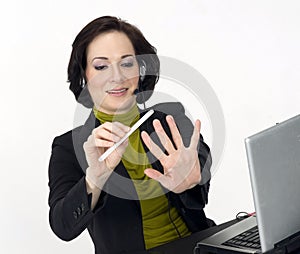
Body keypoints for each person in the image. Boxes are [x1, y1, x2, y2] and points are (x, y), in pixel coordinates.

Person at [48, 16, 213, 254]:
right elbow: (62, 226)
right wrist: (95, 178)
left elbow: (199, 162)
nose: (117, 77)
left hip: (198, 247)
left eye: (127, 63)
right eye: (101, 66)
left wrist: (193, 175)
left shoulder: (169, 116)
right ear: (84, 74)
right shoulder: (68, 147)